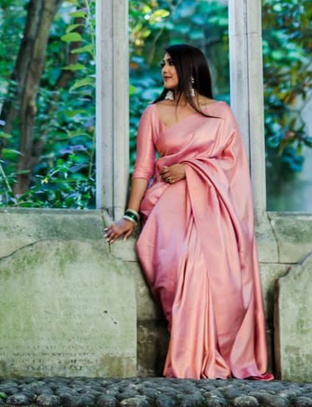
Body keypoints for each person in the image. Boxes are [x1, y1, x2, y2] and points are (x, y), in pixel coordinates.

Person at [104, 43, 272, 380]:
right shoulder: (154, 113)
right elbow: (142, 170)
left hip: (213, 209)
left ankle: (208, 359)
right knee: (183, 261)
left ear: (191, 68)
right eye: (163, 63)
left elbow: (234, 167)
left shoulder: (221, 113)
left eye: (172, 63)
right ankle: (189, 359)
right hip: (168, 207)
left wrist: (191, 169)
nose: (165, 69)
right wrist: (131, 215)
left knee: (201, 261)